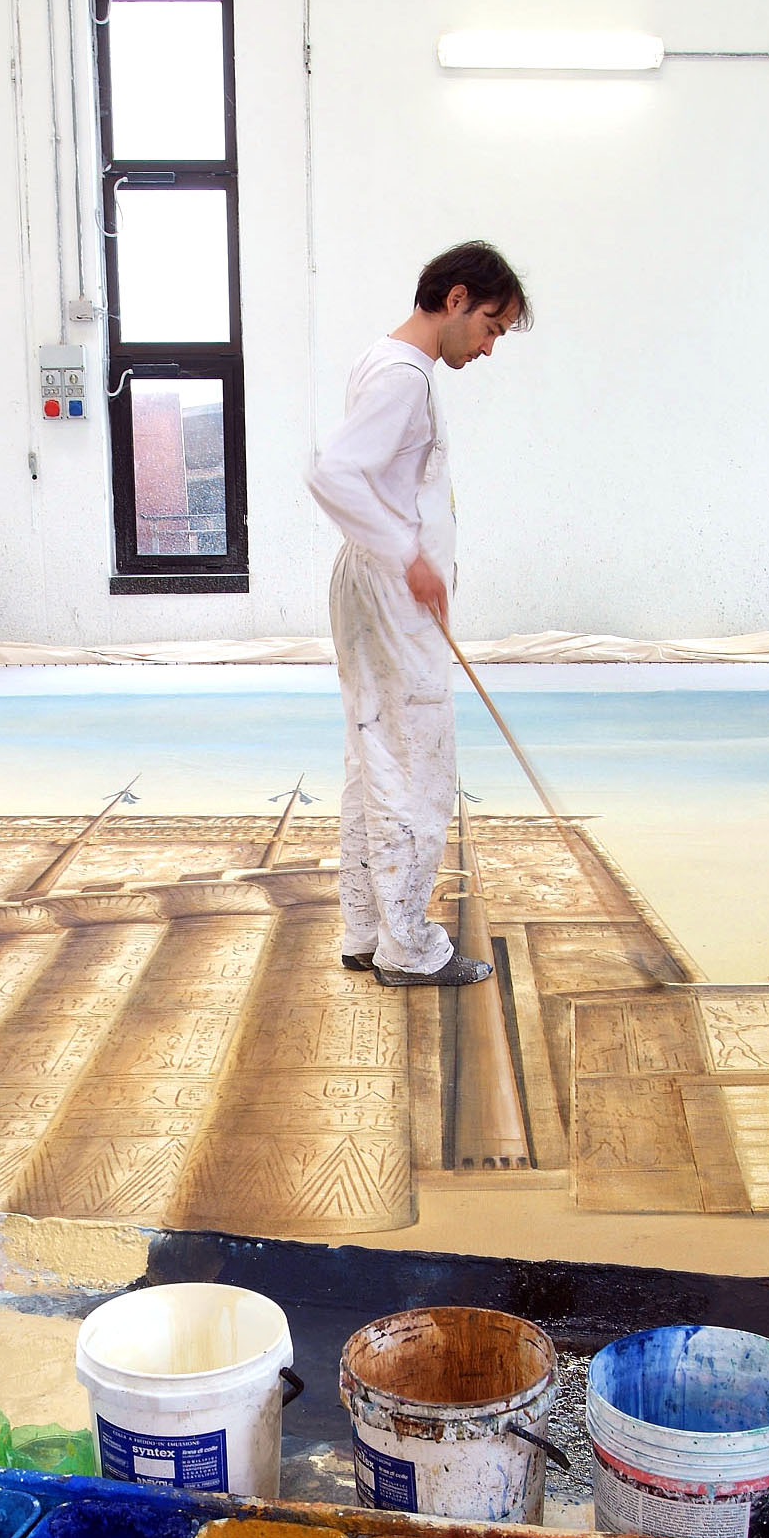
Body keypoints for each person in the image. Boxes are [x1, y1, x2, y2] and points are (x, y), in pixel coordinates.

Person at [306, 240, 532, 987]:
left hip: (376, 585)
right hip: (388, 592)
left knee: (376, 757)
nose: (489, 347)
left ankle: (368, 931)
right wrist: (408, 554)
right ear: (456, 298)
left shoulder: (388, 362)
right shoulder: (403, 378)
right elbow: (334, 473)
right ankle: (407, 949)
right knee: (415, 765)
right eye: (492, 326)